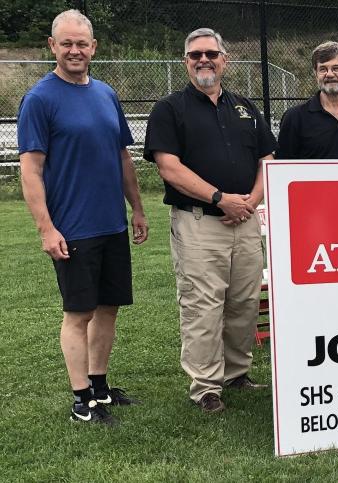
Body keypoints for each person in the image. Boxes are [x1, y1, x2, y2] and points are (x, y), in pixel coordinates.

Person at [18, 9, 148, 425]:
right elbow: (31, 169)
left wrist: (138, 208)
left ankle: (99, 386)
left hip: (111, 224)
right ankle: (81, 402)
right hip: (72, 228)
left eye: (82, 44)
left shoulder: (106, 94)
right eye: (66, 43)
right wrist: (46, 228)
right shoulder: (40, 98)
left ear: (93, 48)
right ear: (52, 47)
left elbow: (121, 155)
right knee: (78, 314)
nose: (75, 50)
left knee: (107, 308)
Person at [144, 28, 276, 413]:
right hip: (199, 222)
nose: (204, 60)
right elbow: (168, 166)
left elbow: (267, 158)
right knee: (203, 304)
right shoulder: (170, 109)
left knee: (244, 302)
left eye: (211, 54)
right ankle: (206, 386)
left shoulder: (245, 107)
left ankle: (237, 372)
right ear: (186, 62)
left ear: (225, 60)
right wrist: (220, 199)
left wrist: (251, 199)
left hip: (246, 221)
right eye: (195, 54)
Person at [276, 41, 338, 159]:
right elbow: (283, 169)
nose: (329, 74)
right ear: (316, 74)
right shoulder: (294, 118)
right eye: (323, 69)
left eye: (336, 68)